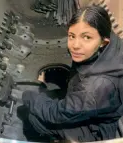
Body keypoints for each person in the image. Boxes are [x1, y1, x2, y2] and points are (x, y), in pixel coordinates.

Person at [21, 5, 123, 142]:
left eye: (86, 37)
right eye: (71, 36)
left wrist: (29, 97)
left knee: (35, 117)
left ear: (103, 42)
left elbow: (57, 114)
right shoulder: (108, 39)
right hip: (99, 107)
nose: (75, 45)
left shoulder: (95, 87)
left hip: (97, 130)